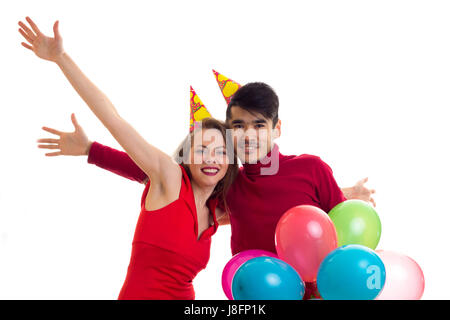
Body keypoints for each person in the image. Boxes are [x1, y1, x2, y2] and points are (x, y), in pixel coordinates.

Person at [19, 16, 239, 300]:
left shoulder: (217, 212)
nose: (212, 158)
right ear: (186, 156)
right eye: (202, 149)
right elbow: (114, 119)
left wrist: (91, 150)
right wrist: (61, 58)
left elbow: (267, 207)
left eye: (221, 152)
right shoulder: (169, 178)